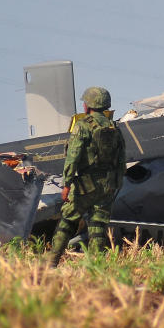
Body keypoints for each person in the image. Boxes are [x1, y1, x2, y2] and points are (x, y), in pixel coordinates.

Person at [46, 86, 125, 267]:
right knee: (98, 226)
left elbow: (72, 157)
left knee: (67, 221)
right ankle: (95, 266)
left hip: (84, 185)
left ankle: (51, 263)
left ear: (87, 105)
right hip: (107, 185)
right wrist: (116, 182)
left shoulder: (82, 126)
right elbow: (121, 158)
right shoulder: (114, 127)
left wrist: (67, 184)